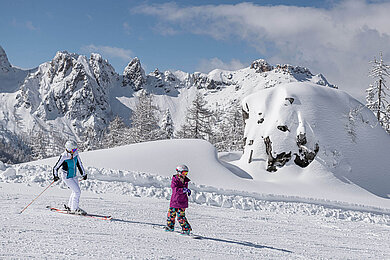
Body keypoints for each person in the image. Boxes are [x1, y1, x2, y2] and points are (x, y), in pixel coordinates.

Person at [53, 140, 88, 215]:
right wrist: (55, 176)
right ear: (69, 149)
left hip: (74, 175)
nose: (75, 150)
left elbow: (79, 164)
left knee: (75, 191)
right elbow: (55, 168)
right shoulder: (64, 156)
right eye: (74, 149)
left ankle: (70, 206)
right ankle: (74, 209)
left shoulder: (75, 154)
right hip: (67, 177)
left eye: (76, 149)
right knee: (77, 192)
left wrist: (83, 174)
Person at [165, 164, 192, 235]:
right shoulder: (175, 180)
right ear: (179, 172)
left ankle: (186, 229)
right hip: (174, 201)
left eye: (186, 173)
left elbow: (184, 190)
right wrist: (183, 190)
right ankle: (170, 226)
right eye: (184, 173)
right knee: (171, 215)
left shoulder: (185, 180)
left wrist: (187, 191)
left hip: (182, 202)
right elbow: (175, 189)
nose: (185, 174)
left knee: (180, 217)